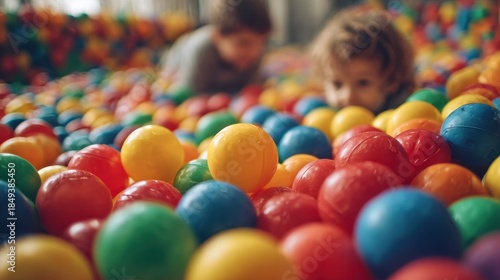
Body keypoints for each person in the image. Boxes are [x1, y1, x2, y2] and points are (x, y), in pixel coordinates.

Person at [310, 6, 415, 114]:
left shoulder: (403, 110)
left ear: (391, 81)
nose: (348, 97)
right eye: (337, 84)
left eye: (363, 83)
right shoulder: (322, 111)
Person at [162, 0, 272, 94]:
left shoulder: (254, 53)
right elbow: (191, 95)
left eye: (262, 42)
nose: (254, 52)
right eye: (243, 43)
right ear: (217, 37)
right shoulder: (201, 50)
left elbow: (251, 91)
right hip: (177, 66)